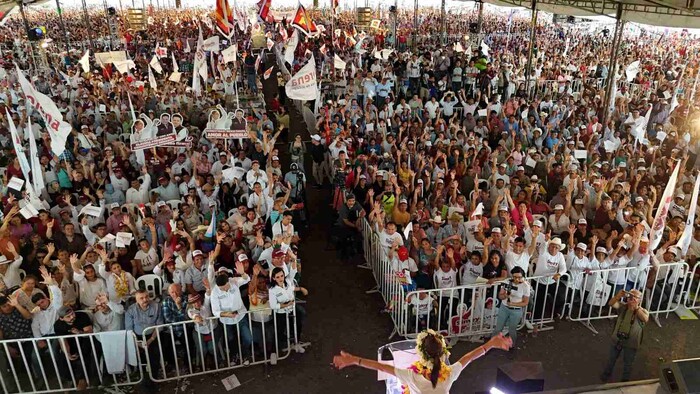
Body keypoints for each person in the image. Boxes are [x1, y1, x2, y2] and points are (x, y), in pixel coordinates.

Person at [333, 331, 512, 393]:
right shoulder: (449, 374)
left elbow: (381, 366)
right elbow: (470, 357)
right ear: (443, 353)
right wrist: (491, 344)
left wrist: (354, 360)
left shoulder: (412, 376)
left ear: (421, 354)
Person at [600, 289, 649, 383]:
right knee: (611, 359)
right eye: (630, 296)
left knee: (628, 363)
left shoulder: (643, 311)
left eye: (635, 297)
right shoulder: (623, 307)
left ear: (640, 300)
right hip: (617, 339)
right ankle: (606, 374)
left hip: (631, 343)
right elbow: (611, 303)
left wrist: (636, 307)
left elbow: (645, 319)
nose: (631, 299)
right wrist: (618, 295)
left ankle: (625, 381)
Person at [492, 266, 530, 357]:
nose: (517, 279)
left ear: (523, 277)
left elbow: (525, 302)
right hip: (504, 307)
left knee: (512, 329)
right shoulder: (506, 282)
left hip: (516, 311)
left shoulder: (525, 286)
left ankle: (511, 347)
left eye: (519, 277)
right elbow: (500, 296)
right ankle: (492, 344)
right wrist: (505, 296)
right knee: (498, 328)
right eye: (515, 277)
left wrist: (513, 304)